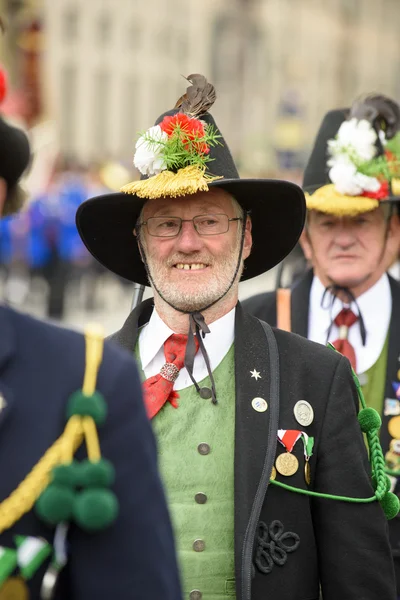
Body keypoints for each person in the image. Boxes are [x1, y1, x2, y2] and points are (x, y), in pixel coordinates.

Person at [77, 74, 397, 600]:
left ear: (246, 238)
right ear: (139, 243)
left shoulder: (317, 378)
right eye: (164, 224)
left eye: (209, 221)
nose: (188, 243)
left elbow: (359, 579)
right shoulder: (83, 376)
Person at [0, 81, 181, 599]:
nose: (184, 241)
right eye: (167, 225)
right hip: (39, 254)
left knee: (61, 292)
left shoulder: (88, 380)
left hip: (53, 259)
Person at [243, 94, 400, 592]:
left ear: (394, 230)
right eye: (327, 221)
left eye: (362, 220)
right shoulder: (256, 322)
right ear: (304, 236)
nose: (344, 237)